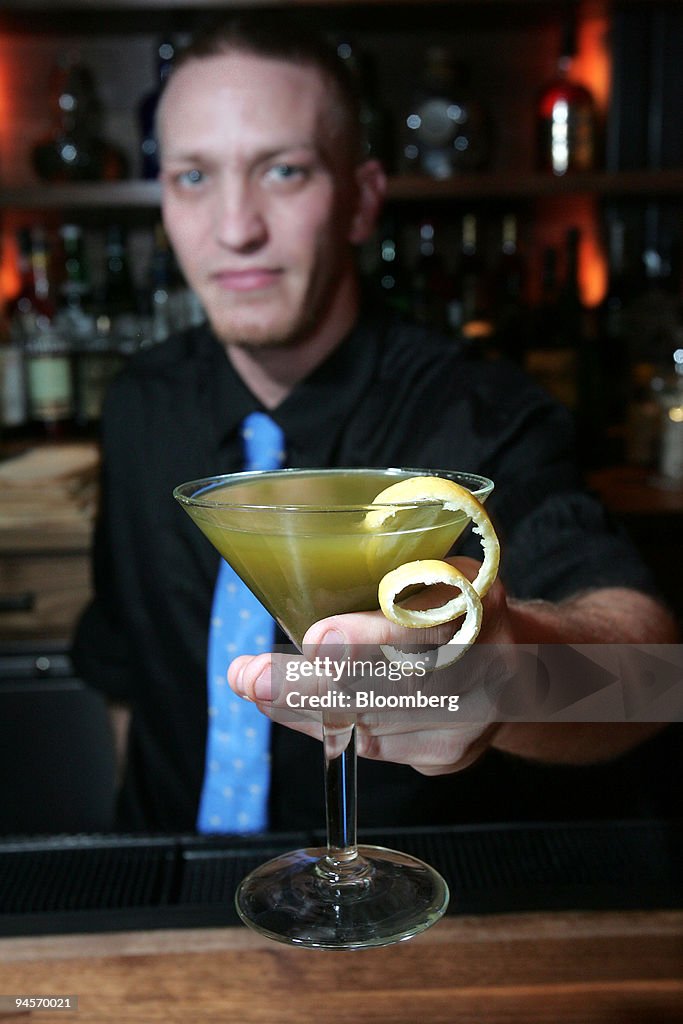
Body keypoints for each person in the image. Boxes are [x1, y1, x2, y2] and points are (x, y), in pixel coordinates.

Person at [73, 13, 679, 833]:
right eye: (192, 178)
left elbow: (649, 682)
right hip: (169, 892)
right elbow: (126, 673)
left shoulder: (479, 412)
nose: (234, 228)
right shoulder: (139, 401)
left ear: (360, 202)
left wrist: (506, 682)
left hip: (401, 916)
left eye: (282, 171)